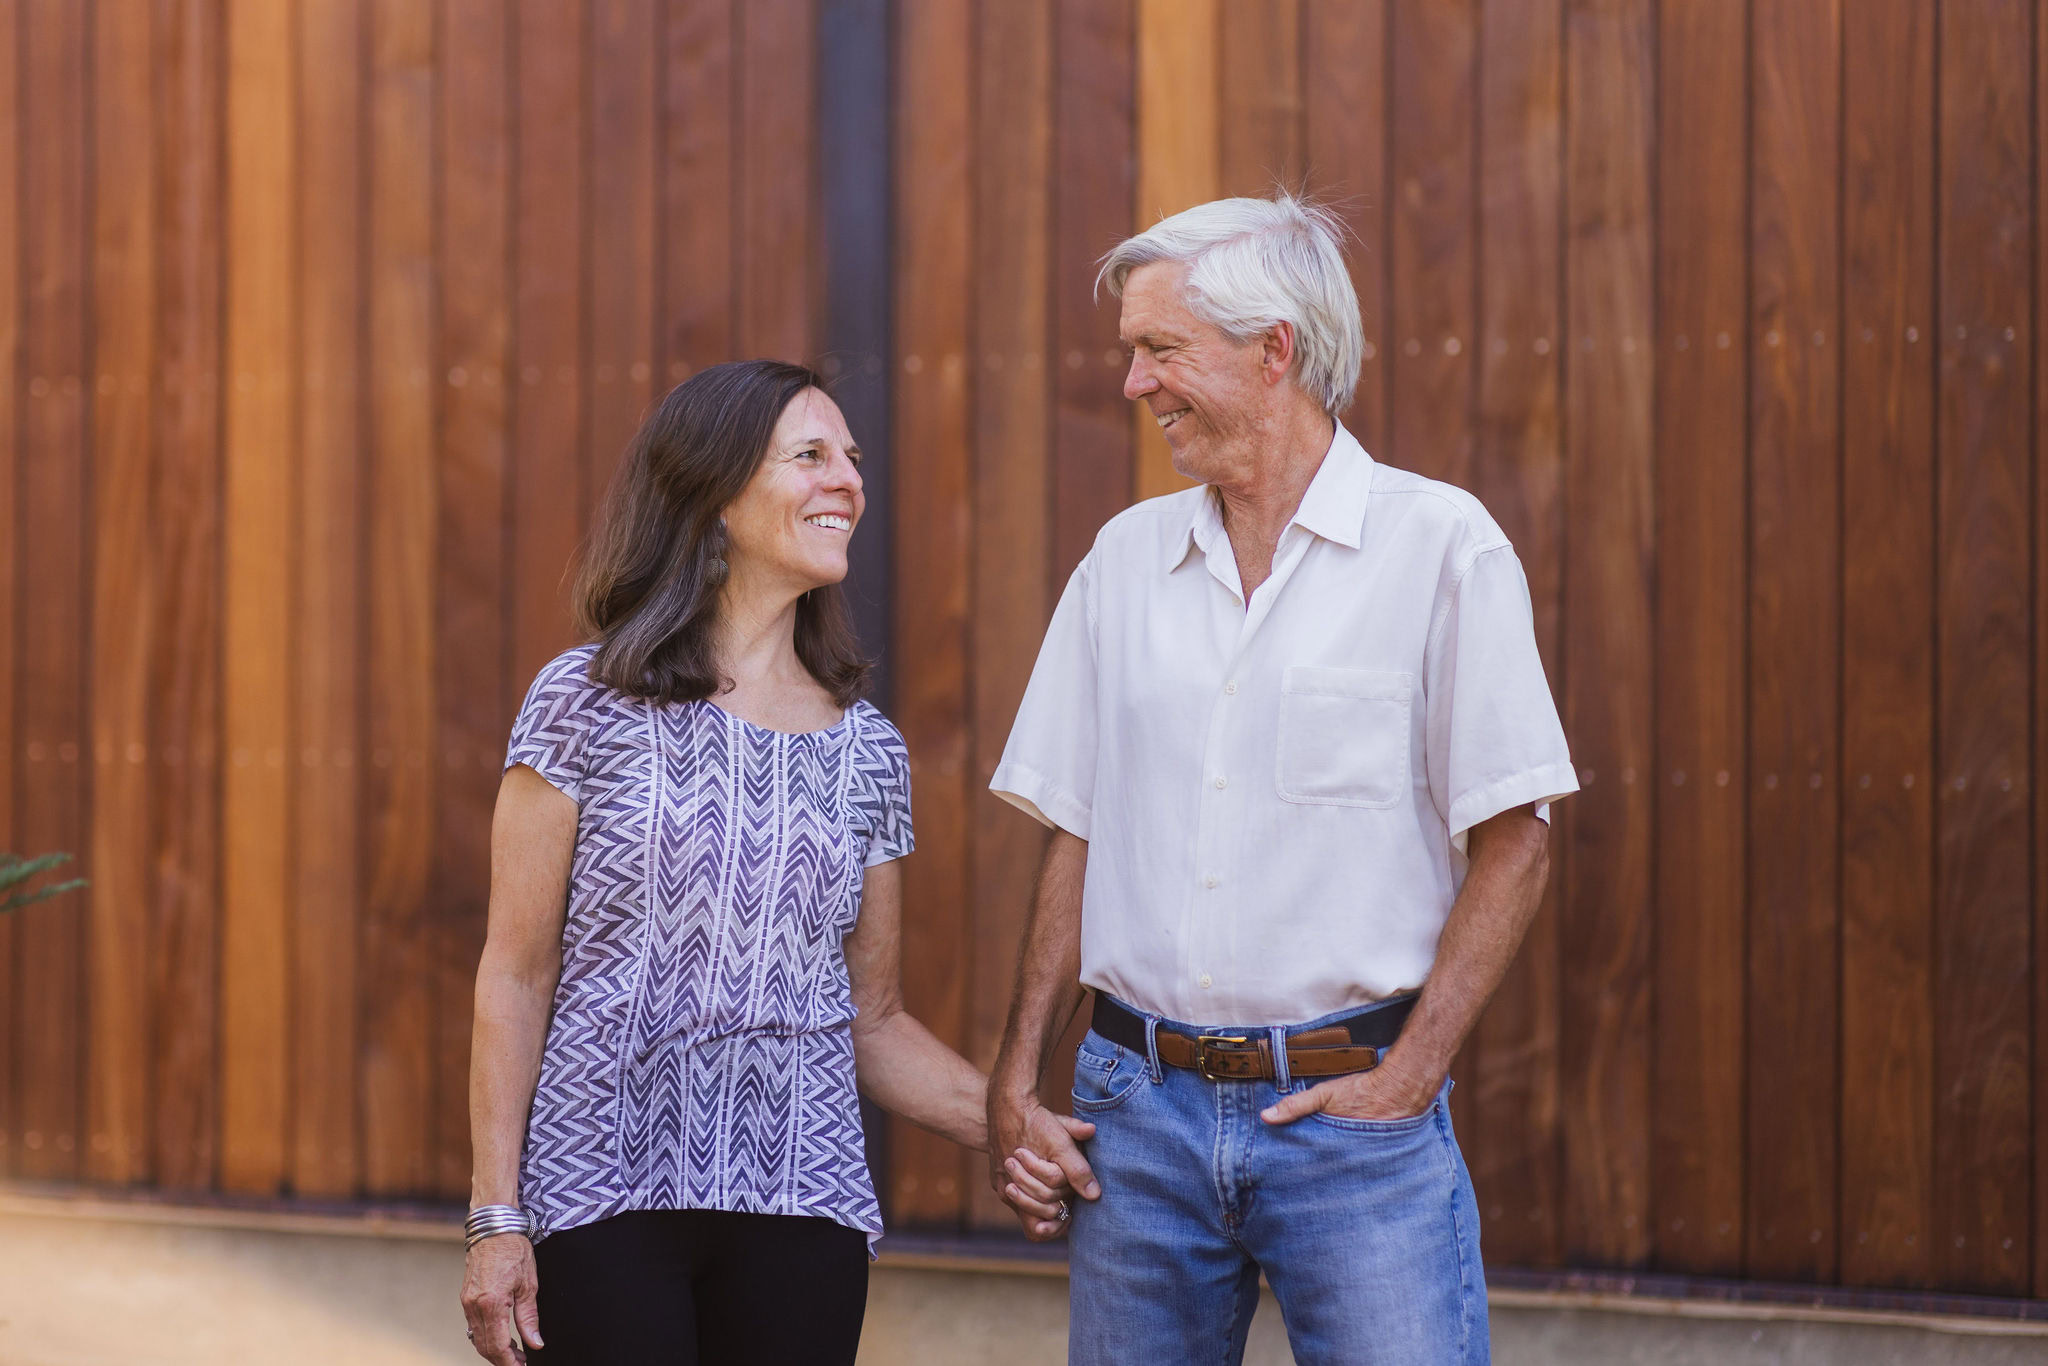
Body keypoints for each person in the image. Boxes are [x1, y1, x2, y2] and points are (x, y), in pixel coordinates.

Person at [984, 193, 1579, 1365]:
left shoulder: (1442, 550)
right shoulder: (1121, 564)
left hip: (1352, 1122)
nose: (1134, 384)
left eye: (1159, 350)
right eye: (1130, 353)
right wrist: (1017, 1078)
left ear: (1273, 352)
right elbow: (1075, 832)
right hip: (1131, 1123)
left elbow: (1515, 838)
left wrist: (1412, 1072)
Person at [460, 360, 1082, 1366]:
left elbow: (869, 1019)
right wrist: (496, 1216)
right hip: (600, 1190)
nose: (848, 480)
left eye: (852, 459)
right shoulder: (582, 699)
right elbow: (516, 973)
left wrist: (1017, 1129)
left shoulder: (866, 748)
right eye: (810, 455)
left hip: (803, 1198)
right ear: (712, 489)